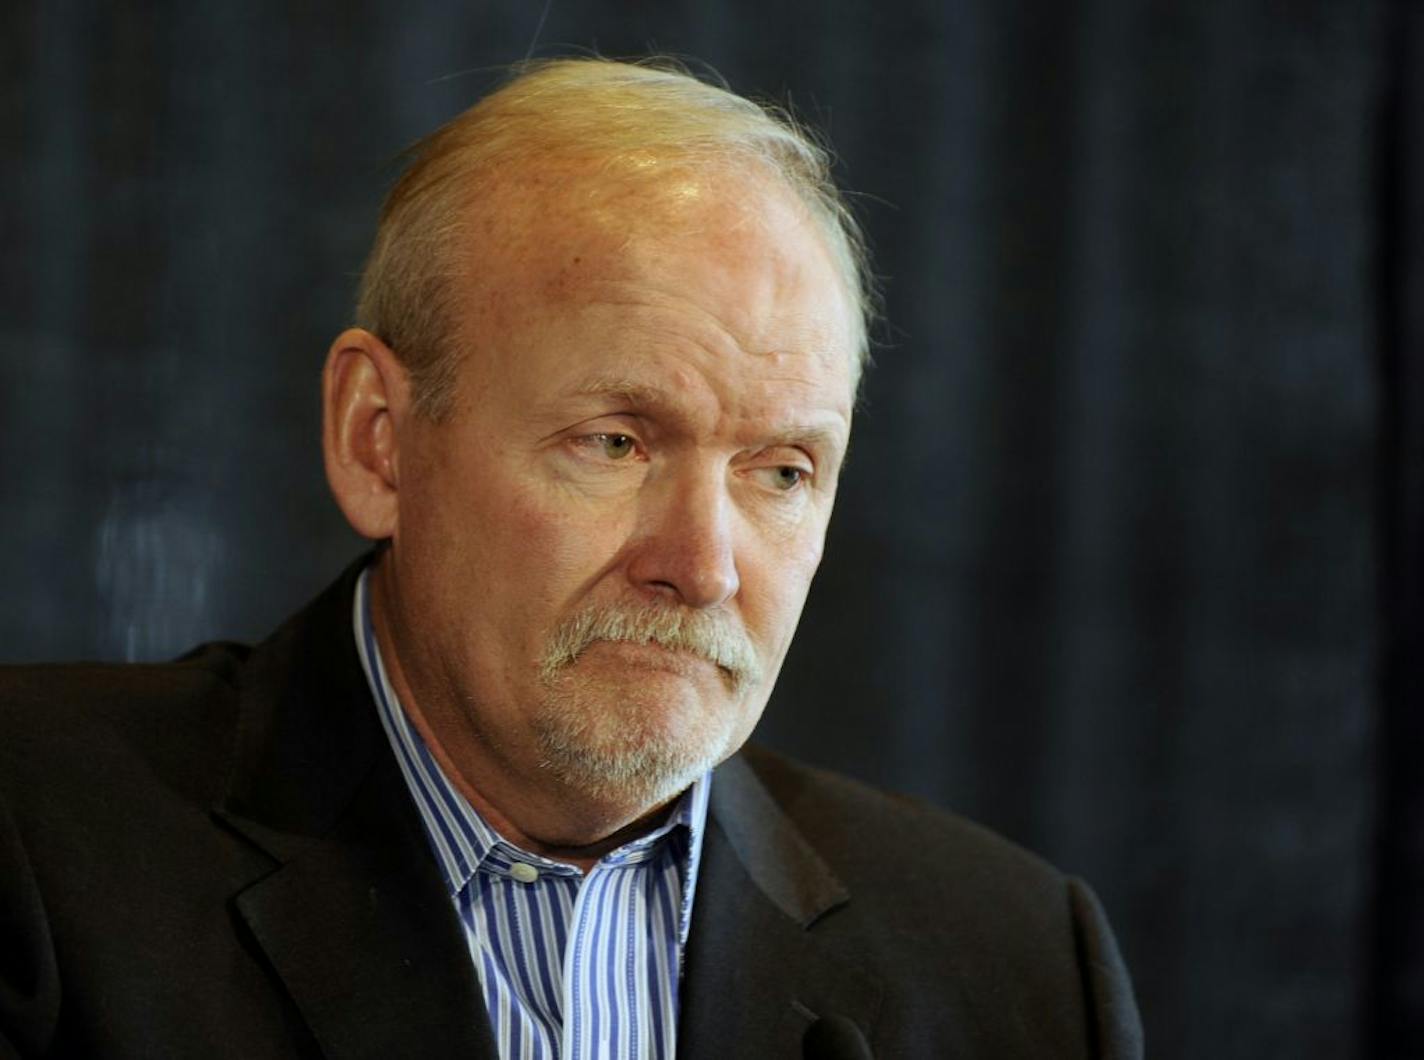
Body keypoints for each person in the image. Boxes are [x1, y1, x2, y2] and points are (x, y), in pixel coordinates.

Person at [0, 59, 1142, 1059]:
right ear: (377, 442)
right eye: (614, 441)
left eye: (780, 469)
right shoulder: (41, 850)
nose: (701, 565)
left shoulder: (1019, 968)